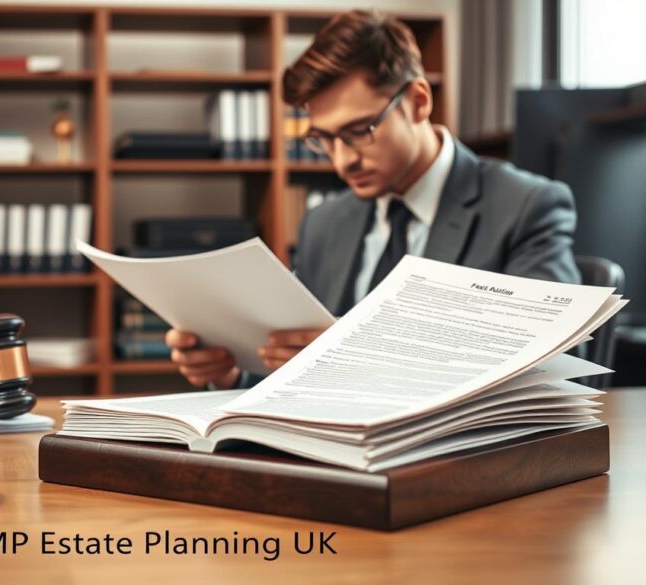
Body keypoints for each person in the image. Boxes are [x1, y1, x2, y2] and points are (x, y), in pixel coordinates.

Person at [166, 9, 580, 390]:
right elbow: (292, 373)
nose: (343, 159)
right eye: (323, 139)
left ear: (418, 101)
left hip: (455, 455)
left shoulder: (526, 207)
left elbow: (552, 361)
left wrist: (357, 356)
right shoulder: (325, 222)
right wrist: (231, 372)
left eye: (360, 130)